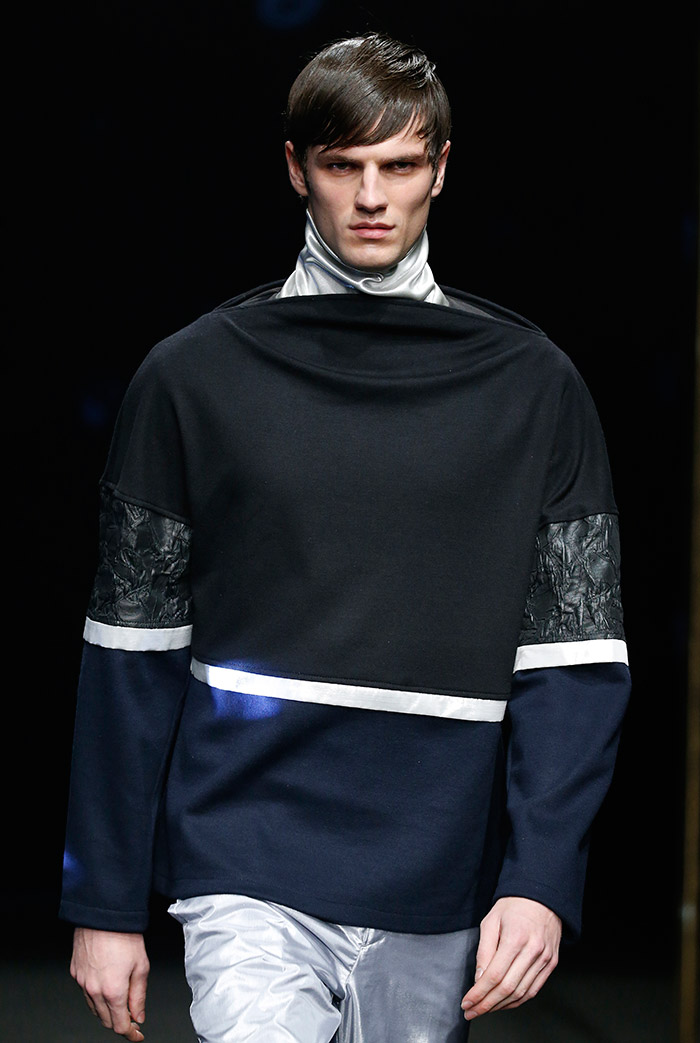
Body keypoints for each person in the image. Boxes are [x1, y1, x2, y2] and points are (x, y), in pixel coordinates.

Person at [61, 32, 631, 1043]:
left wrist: (540, 876)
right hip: (246, 853)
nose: (372, 197)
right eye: (342, 165)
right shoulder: (193, 379)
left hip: (439, 867)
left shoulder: (532, 387)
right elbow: (129, 651)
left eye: (399, 166)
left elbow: (575, 658)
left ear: (440, 170)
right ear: (296, 169)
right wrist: (104, 898)